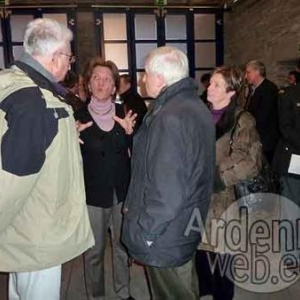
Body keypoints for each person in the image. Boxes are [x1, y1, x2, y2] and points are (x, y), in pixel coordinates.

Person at [0, 18, 94, 300]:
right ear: (56, 57)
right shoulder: (37, 103)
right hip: (38, 233)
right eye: (69, 56)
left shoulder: (13, 84)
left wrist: (64, 139)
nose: (69, 63)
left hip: (24, 229)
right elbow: (12, 180)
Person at [121, 46, 215, 300]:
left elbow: (167, 189)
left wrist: (148, 234)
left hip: (165, 233)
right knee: (185, 288)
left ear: (160, 79)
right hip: (184, 225)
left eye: (146, 74)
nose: (142, 79)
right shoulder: (193, 106)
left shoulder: (170, 117)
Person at [197, 65, 262, 300]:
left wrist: (217, 176)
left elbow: (250, 161)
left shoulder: (242, 119)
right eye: (210, 83)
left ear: (231, 91)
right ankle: (204, 293)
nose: (209, 88)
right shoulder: (200, 113)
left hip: (225, 197)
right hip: (197, 195)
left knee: (223, 255)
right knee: (201, 252)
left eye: (216, 84)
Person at [74, 57, 136, 300]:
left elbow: (138, 154)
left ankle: (123, 293)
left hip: (122, 192)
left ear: (114, 87)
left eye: (107, 79)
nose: (101, 83)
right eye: (96, 78)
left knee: (122, 247)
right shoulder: (76, 117)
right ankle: (96, 296)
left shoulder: (125, 114)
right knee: (94, 252)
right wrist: (69, 141)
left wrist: (131, 135)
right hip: (92, 195)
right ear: (89, 85)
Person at [273, 81, 300, 263]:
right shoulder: (289, 94)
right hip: (294, 158)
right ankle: (291, 255)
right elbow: (286, 127)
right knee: (291, 207)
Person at [244, 60, 279, 165]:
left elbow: (263, 116)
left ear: (257, 72)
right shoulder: (255, 89)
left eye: (248, 72)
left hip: (266, 139)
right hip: (258, 136)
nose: (246, 76)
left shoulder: (268, 89)